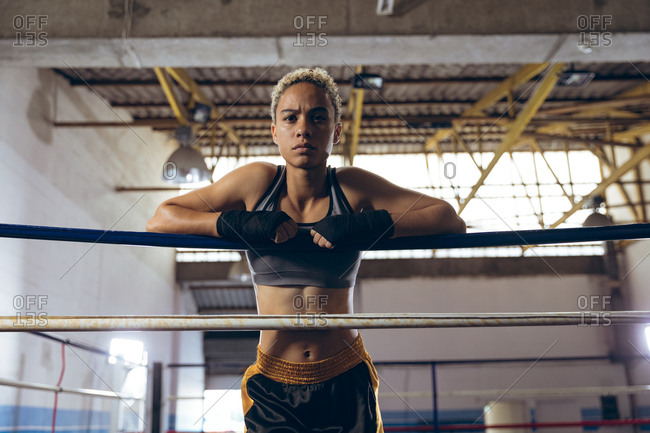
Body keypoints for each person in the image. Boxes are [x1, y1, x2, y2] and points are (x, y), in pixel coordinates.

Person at [147, 67, 466, 432]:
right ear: (275, 132)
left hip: (344, 374)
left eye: (318, 117)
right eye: (291, 118)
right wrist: (234, 224)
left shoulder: (350, 187)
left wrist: (365, 224)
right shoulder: (257, 182)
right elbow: (162, 218)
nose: (304, 129)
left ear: (336, 131)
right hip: (273, 382)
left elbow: (447, 217)